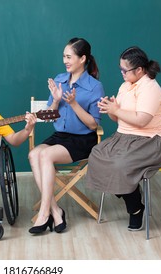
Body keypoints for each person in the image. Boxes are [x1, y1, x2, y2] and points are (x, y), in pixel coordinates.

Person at [86, 46, 161, 231]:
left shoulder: (150, 87)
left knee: (120, 166)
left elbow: (142, 121)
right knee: (97, 154)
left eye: (125, 70)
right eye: (120, 69)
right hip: (124, 137)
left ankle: (135, 209)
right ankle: (132, 191)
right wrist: (110, 108)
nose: (122, 73)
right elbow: (118, 118)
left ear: (140, 70)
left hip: (152, 141)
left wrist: (116, 110)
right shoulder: (125, 86)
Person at [28, 37, 104, 234]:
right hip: (60, 136)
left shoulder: (94, 86)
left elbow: (93, 124)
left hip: (82, 140)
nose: (65, 60)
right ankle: (56, 211)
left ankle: (44, 214)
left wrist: (73, 104)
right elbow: (48, 114)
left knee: (45, 155)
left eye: (69, 56)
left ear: (82, 59)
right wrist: (56, 101)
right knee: (33, 154)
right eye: (64, 56)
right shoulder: (60, 79)